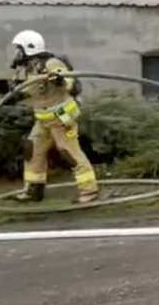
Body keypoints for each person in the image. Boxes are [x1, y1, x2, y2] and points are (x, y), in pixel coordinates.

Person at [6, 30, 99, 204]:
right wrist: (16, 95)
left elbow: (71, 83)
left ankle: (89, 190)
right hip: (43, 120)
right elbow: (34, 88)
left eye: (19, 49)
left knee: (69, 152)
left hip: (61, 117)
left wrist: (60, 79)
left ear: (29, 48)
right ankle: (34, 190)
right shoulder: (30, 68)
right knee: (32, 150)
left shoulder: (51, 63)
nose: (17, 54)